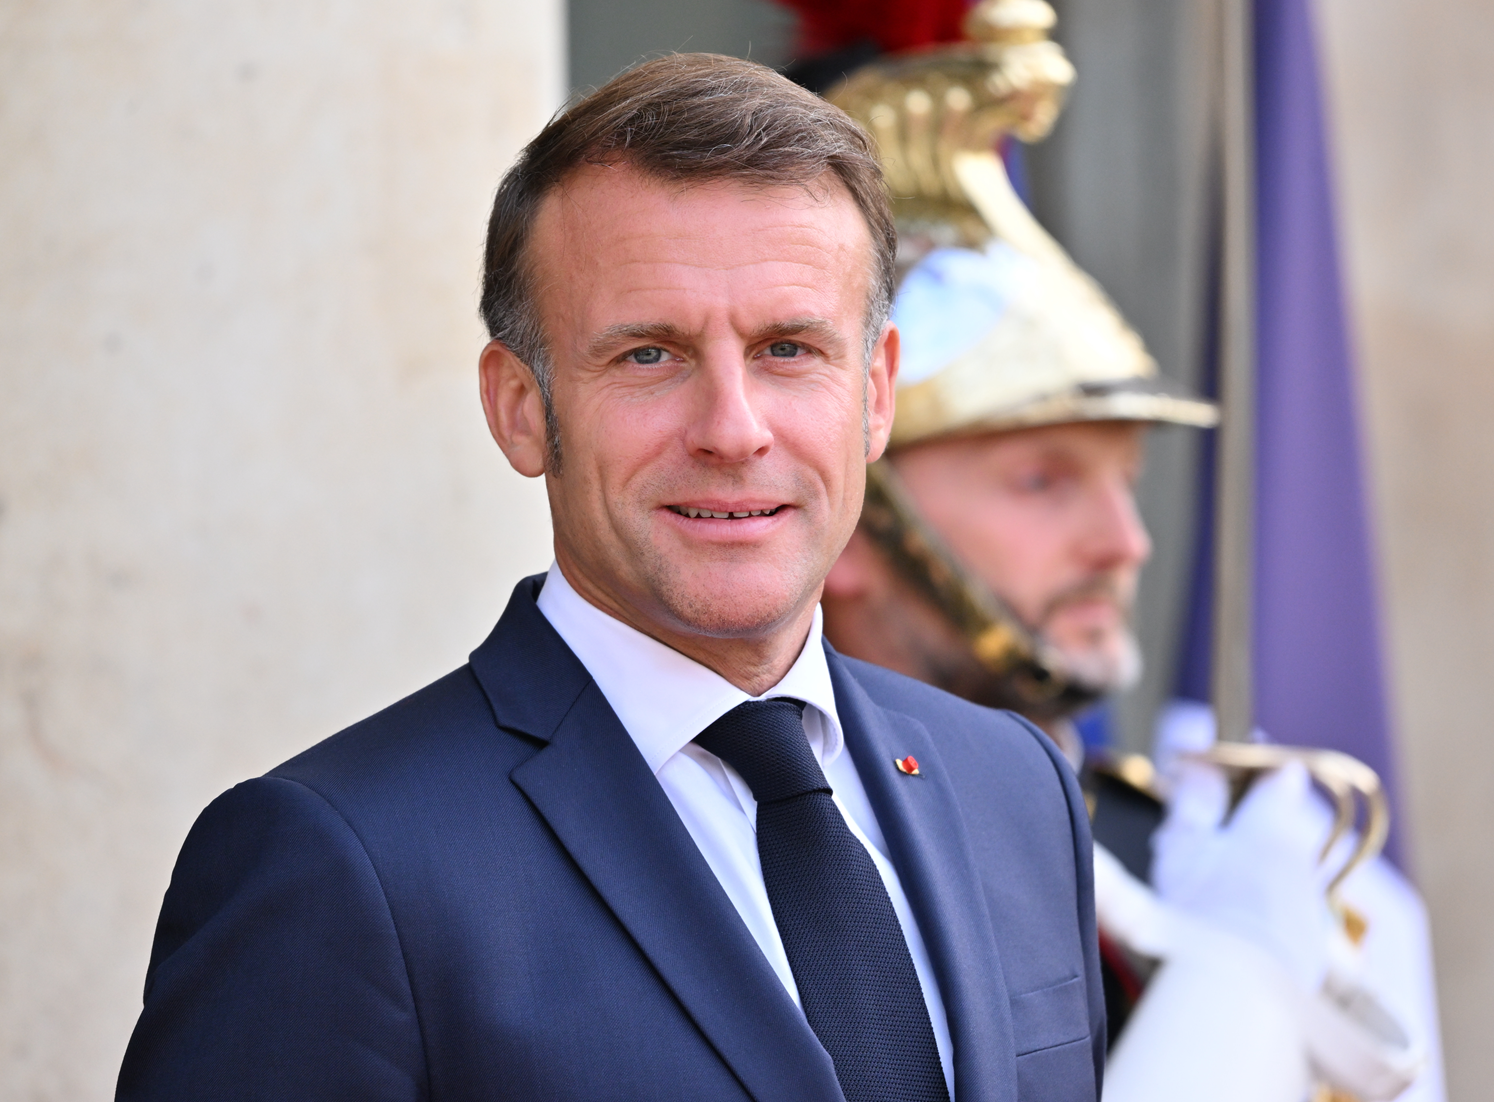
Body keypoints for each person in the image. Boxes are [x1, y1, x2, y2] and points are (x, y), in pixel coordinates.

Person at [116, 54, 1106, 1102]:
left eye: (787, 348)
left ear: (875, 394)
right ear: (520, 409)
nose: (733, 430)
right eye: (649, 355)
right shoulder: (339, 864)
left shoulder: (1016, 788)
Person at [813, 8, 1440, 1098]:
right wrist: (1232, 1000)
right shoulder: (771, 853)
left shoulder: (1162, 850)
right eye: (1043, 480)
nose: (1125, 543)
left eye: (1127, 479)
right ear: (854, 525)